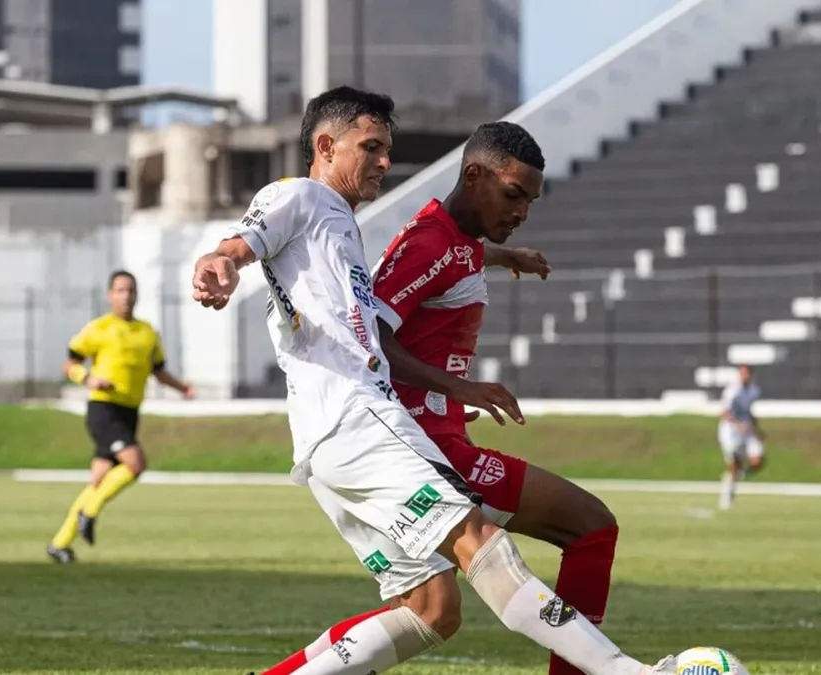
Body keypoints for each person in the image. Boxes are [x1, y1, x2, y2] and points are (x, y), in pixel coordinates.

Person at [190, 86, 674, 675]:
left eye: (387, 149)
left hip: (324, 446)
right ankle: (629, 673)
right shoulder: (303, 197)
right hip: (358, 419)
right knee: (483, 545)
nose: (385, 162)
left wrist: (499, 257)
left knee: (432, 609)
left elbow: (427, 263)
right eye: (371, 148)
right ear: (325, 145)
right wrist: (222, 258)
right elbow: (249, 239)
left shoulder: (338, 228)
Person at [262, 122, 620, 675]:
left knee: (430, 611)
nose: (521, 211)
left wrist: (505, 257)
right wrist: (457, 388)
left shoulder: (455, 243)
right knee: (588, 525)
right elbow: (373, 332)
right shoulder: (431, 242)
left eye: (529, 201)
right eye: (512, 195)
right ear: (472, 175)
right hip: (422, 448)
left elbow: (452, 258)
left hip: (415, 434)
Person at [46, 270, 195, 564]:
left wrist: (183, 388)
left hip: (129, 412)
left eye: (130, 290)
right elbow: (69, 363)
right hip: (103, 409)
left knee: (99, 480)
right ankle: (89, 514)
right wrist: (87, 377)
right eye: (120, 290)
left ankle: (60, 544)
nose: (126, 296)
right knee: (135, 463)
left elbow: (158, 370)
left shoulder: (147, 332)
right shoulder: (99, 328)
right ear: (110, 295)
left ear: (136, 295)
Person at [716, 365, 764, 510]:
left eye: (746, 374)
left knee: (758, 460)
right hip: (730, 431)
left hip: (746, 430)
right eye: (741, 373)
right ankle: (727, 496)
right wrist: (737, 425)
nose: (744, 376)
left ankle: (741, 473)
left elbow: (747, 411)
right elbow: (723, 413)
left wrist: (757, 428)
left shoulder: (754, 391)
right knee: (734, 463)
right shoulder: (732, 391)